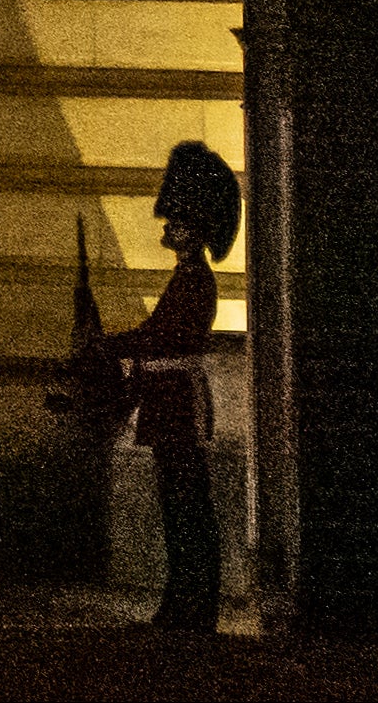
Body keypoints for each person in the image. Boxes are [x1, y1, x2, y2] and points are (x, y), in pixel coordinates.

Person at [71, 137, 235, 633]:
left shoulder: (193, 281)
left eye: (179, 220)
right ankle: (183, 603)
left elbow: (159, 337)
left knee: (186, 508)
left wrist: (107, 346)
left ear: (195, 228)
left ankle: (193, 605)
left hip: (176, 402)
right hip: (167, 398)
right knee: (178, 507)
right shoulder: (185, 278)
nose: (170, 226)